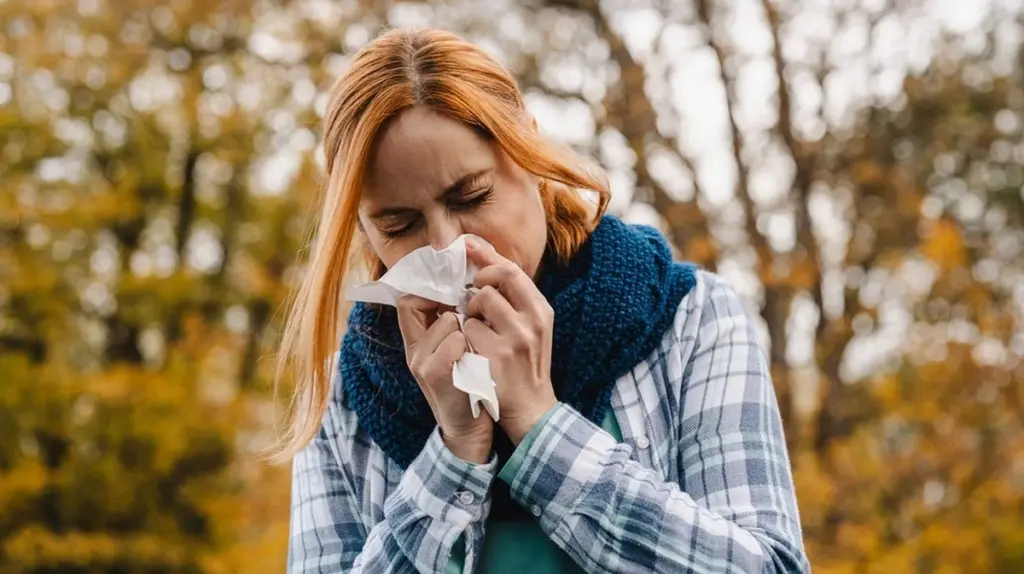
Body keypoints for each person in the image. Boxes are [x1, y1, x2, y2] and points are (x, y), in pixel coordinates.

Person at [279, 27, 809, 574]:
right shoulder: (345, 393)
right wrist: (455, 450)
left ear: (527, 150)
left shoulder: (691, 320)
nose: (448, 248)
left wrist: (538, 424)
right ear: (365, 231)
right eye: (399, 224)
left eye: (471, 196)